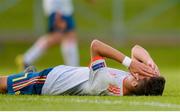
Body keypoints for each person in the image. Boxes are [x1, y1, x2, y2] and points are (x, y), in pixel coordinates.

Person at [0, 39, 165, 96]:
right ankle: (27, 74)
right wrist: (150, 62)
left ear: (136, 83)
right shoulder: (131, 82)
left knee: (3, 85)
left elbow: (96, 45)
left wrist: (130, 63)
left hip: (46, 82)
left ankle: (28, 76)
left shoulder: (106, 84)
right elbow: (136, 49)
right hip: (59, 72)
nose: (140, 70)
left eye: (144, 74)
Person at [16, 0, 80, 70]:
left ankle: (73, 68)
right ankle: (26, 59)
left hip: (63, 9)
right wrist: (57, 10)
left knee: (67, 36)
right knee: (60, 36)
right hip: (59, 9)